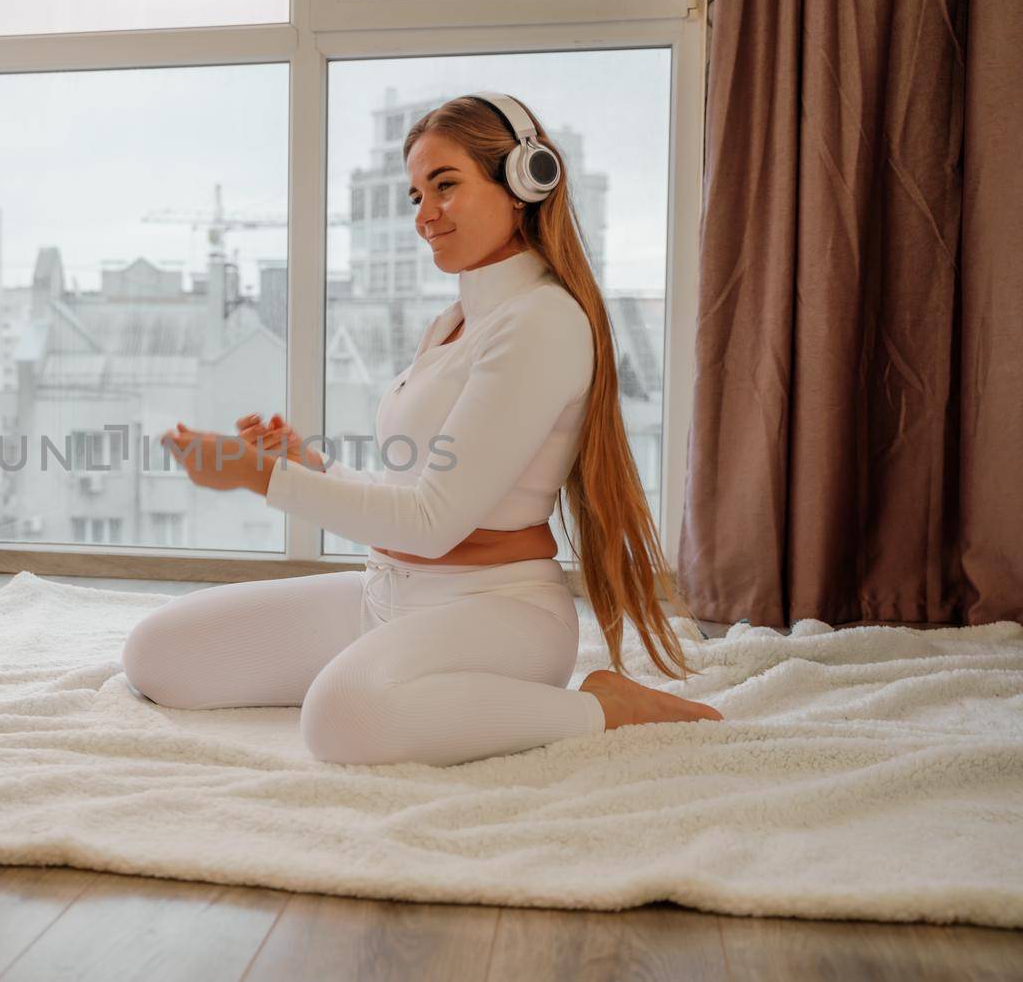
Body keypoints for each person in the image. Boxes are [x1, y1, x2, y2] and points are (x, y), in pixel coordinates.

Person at [121, 93, 722, 766]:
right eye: (415, 195)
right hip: (387, 593)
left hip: (498, 616)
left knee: (341, 719)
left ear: (526, 180)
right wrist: (310, 466)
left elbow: (434, 521)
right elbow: (415, 491)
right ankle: (400, 673)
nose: (425, 214)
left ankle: (602, 707)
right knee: (157, 656)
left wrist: (263, 476)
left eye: (445, 185)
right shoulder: (454, 323)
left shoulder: (541, 321)